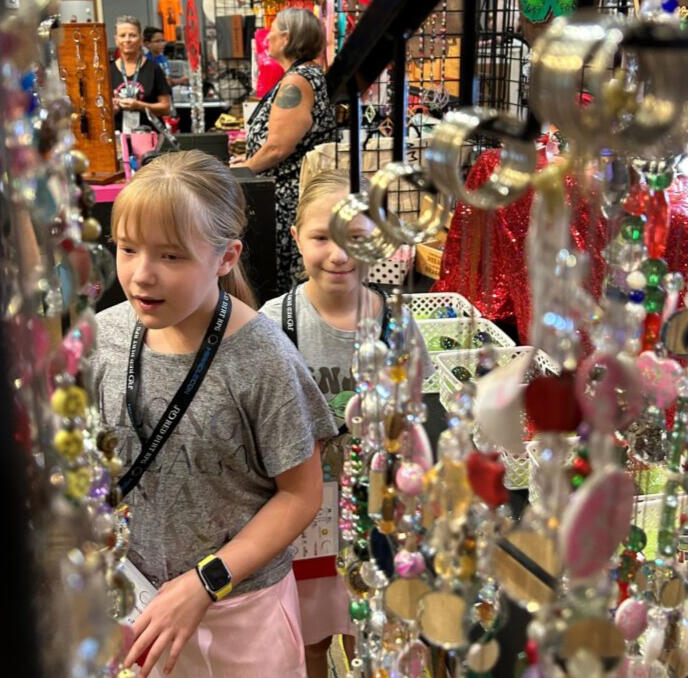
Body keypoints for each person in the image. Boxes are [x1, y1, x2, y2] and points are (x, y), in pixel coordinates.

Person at [91, 150, 338, 678]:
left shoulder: (264, 359)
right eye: (127, 249)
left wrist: (206, 582)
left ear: (226, 257)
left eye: (171, 256)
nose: (141, 275)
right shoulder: (102, 337)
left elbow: (300, 494)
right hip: (132, 600)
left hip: (240, 614)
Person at [259, 169, 434, 678]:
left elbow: (415, 411)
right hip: (304, 513)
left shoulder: (396, 323)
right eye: (323, 238)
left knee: (369, 628)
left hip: (375, 508)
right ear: (296, 238)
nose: (339, 255)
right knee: (310, 636)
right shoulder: (272, 323)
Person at [234, 8, 337, 294]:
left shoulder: (297, 80)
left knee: (282, 282)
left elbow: (279, 147)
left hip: (287, 199)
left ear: (287, 37)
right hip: (293, 193)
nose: (267, 38)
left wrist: (242, 170)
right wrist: (248, 160)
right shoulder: (304, 75)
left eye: (272, 31)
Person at [110, 16, 171, 133]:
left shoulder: (153, 69)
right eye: (122, 35)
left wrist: (139, 106)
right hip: (119, 137)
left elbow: (166, 108)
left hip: (150, 136)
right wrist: (113, 109)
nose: (127, 40)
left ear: (141, 40)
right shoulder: (108, 71)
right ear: (116, 40)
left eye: (132, 35)